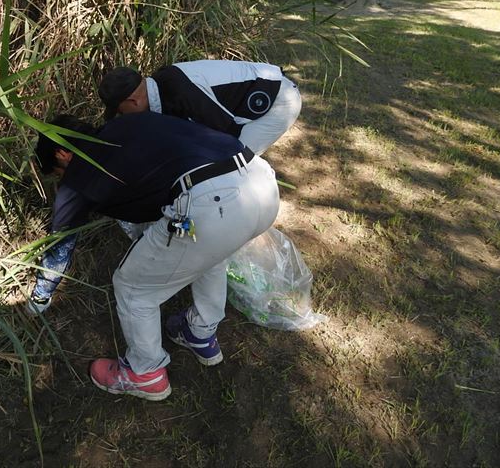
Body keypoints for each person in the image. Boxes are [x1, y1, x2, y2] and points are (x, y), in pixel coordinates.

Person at [28, 112, 280, 400]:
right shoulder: (125, 124)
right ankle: (200, 332)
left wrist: (39, 297)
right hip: (260, 182)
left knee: (133, 288)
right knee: (210, 254)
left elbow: (61, 243)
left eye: (57, 173)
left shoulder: (79, 176)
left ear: (62, 155)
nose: (62, 180)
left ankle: (145, 374)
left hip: (214, 203)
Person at [97, 60, 301, 155]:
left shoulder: (182, 91)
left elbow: (226, 134)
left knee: (236, 161)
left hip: (279, 99)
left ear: (133, 101)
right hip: (246, 101)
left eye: (120, 111)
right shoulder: (161, 86)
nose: (122, 116)